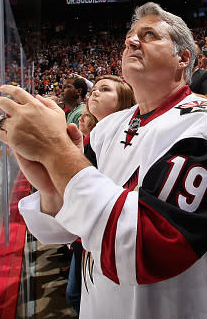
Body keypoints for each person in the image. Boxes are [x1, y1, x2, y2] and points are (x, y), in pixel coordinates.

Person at [0, 2, 207, 318]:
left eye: (149, 35)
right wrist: (51, 187)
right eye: (129, 36)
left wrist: (56, 151)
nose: (130, 41)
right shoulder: (109, 127)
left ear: (183, 58)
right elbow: (71, 226)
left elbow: (149, 245)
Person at [67, 74, 136, 313]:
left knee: (78, 294)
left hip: (107, 232)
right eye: (94, 88)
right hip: (87, 229)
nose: (94, 92)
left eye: (104, 89)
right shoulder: (93, 137)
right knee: (80, 293)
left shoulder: (127, 140)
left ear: (123, 101)